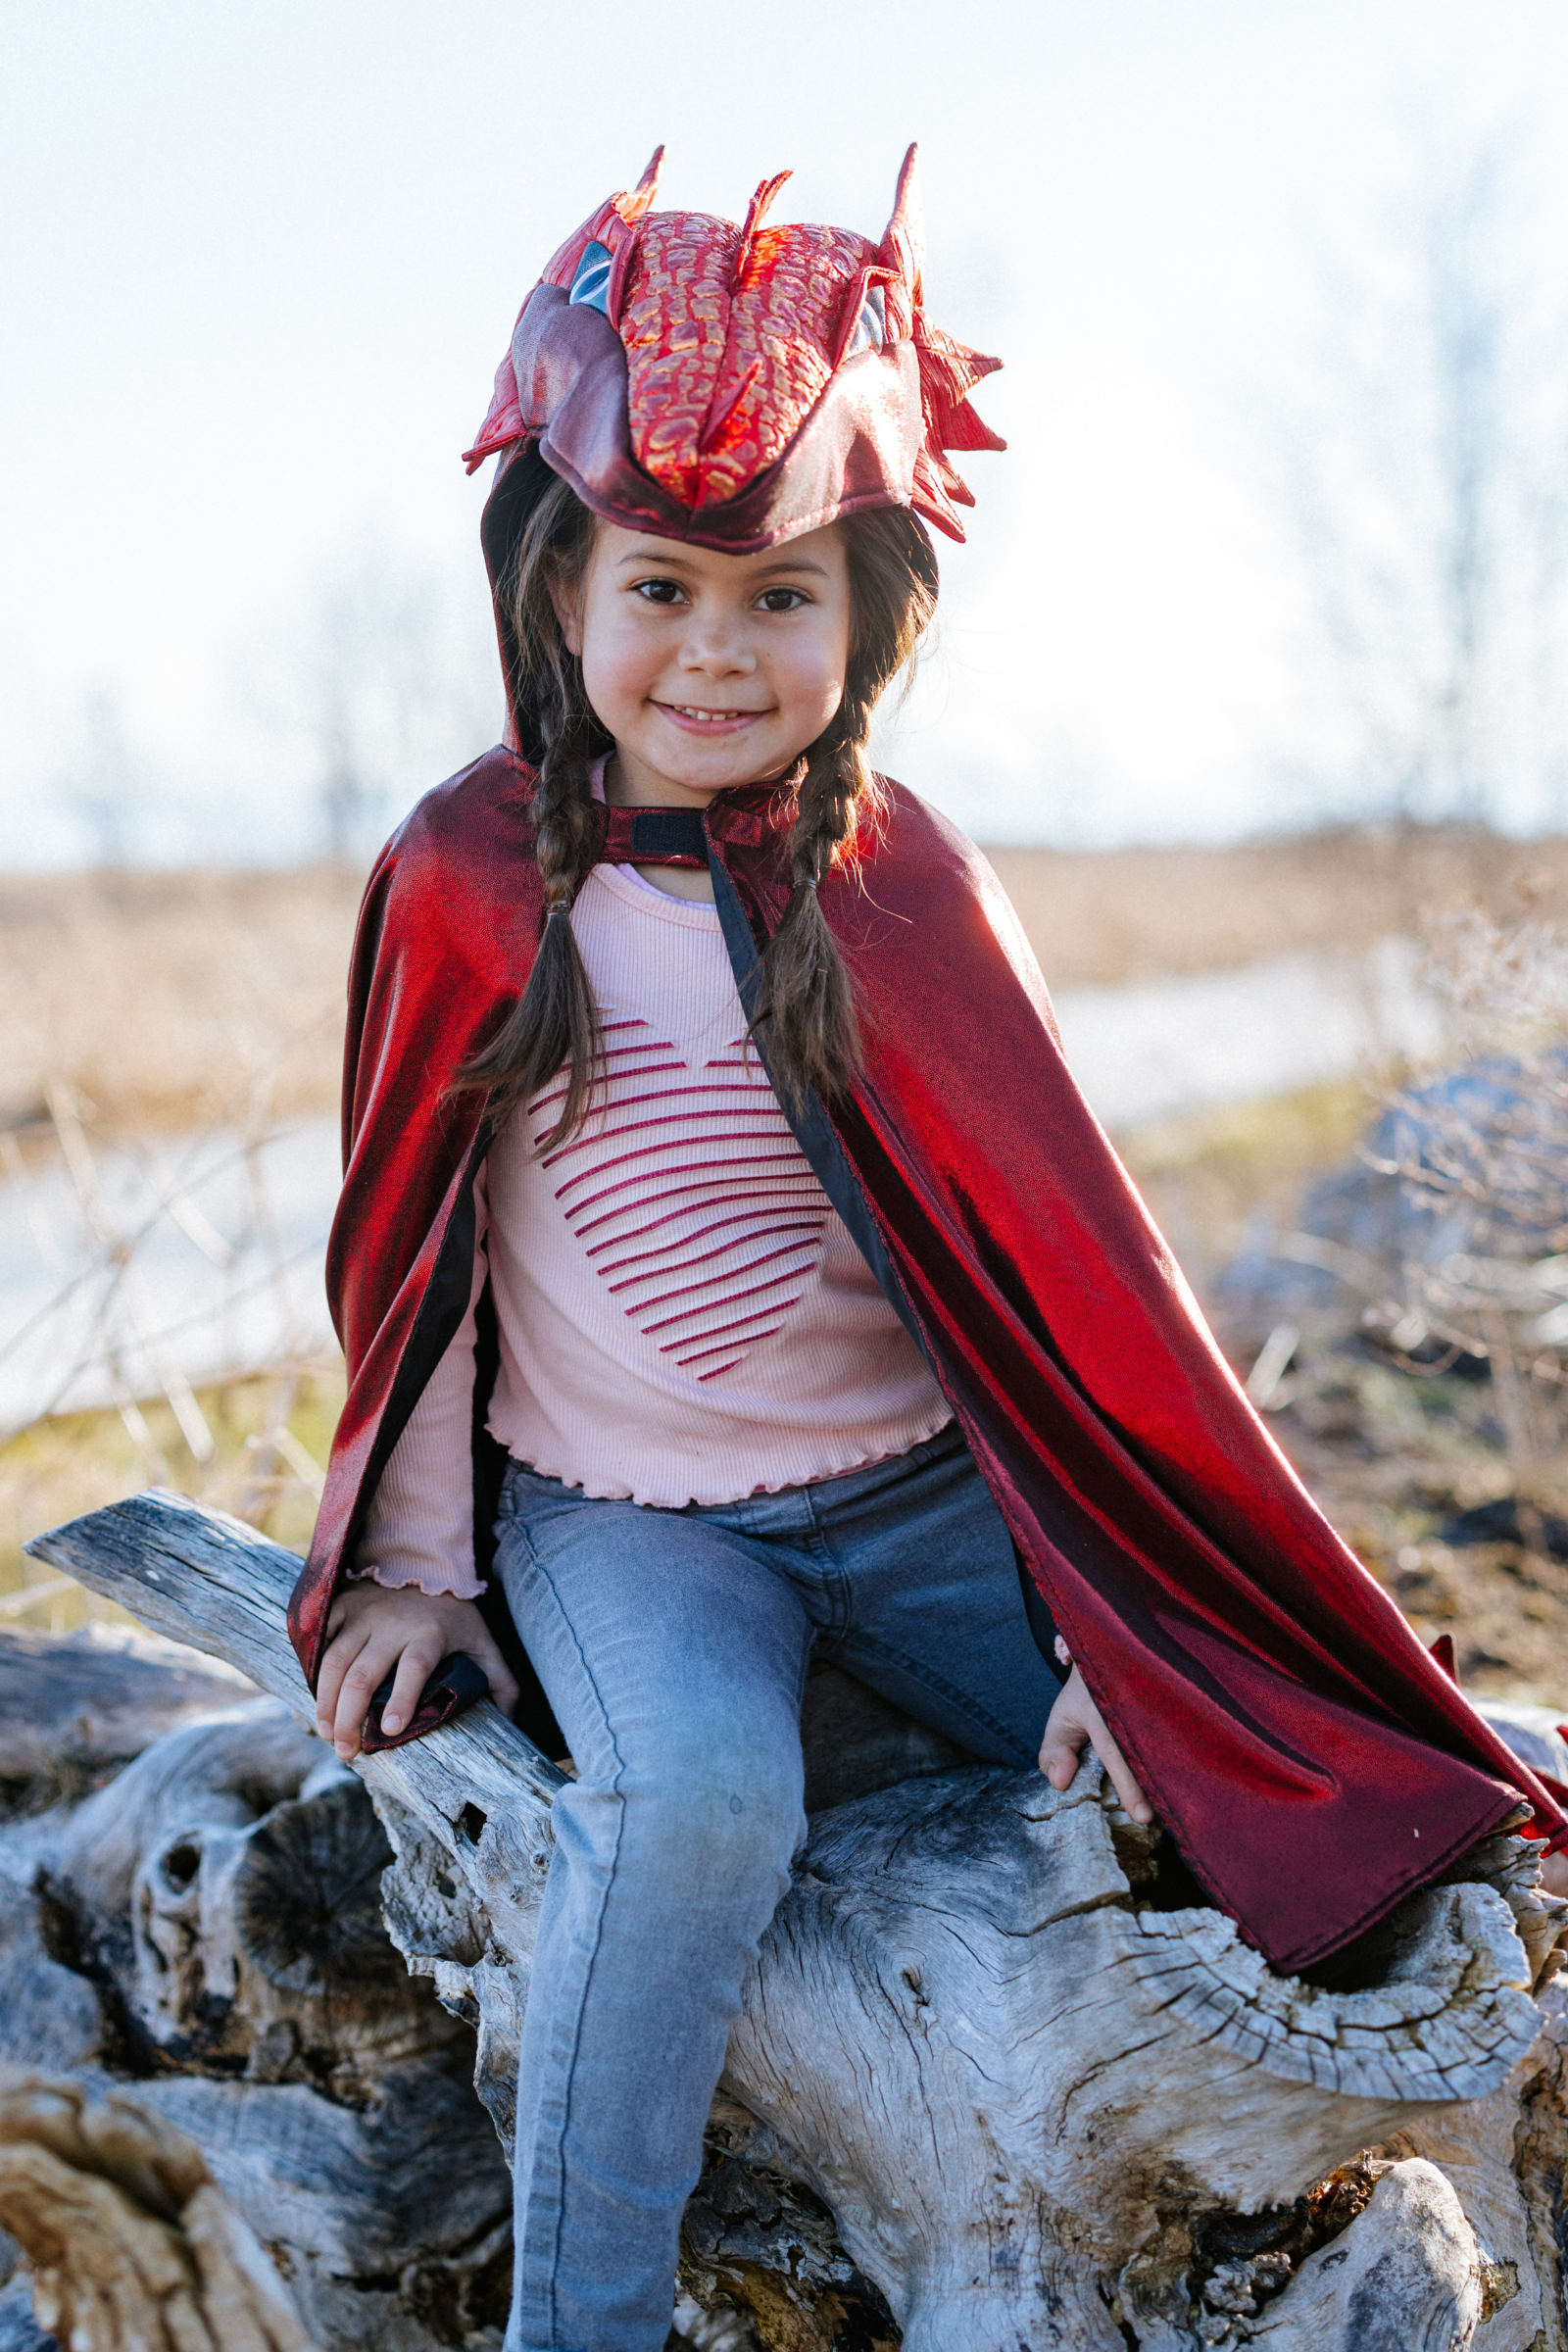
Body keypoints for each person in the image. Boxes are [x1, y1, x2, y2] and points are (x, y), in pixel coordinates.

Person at [287, 147, 1565, 2352]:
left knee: (1263, 1767)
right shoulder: (467, 880)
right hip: (629, 1529)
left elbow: (1079, 1306)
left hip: (929, 1509)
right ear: (555, 597)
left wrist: (1122, 1614)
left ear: (871, 621)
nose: (716, 650)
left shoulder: (904, 890)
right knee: (690, 1808)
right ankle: (577, 2320)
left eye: (783, 596)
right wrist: (406, 1567)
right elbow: (421, 1272)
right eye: (663, 590)